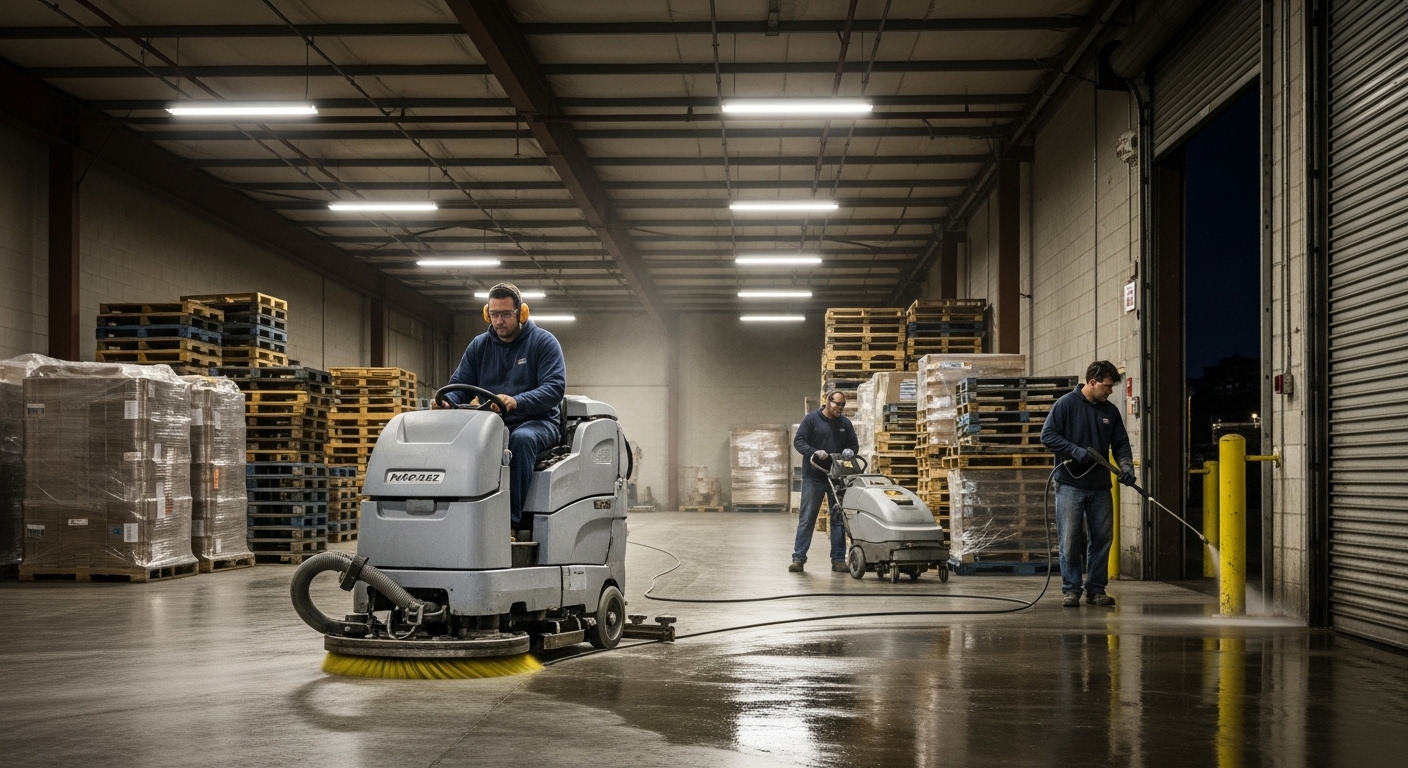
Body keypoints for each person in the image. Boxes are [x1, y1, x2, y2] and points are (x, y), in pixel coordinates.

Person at [436, 283, 566, 535]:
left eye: (505, 314)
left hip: (538, 422)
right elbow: (459, 385)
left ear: (522, 313)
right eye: (494, 314)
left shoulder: (543, 343)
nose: (499, 321)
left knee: (520, 440)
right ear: (487, 314)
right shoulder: (479, 346)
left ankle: (511, 524)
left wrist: (517, 401)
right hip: (492, 423)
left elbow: (554, 388)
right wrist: (447, 400)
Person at [1040, 360, 1135, 607]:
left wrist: (1126, 468)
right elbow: (1047, 435)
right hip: (1070, 484)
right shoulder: (1066, 405)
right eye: (1106, 386)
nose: (1110, 390)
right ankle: (1071, 590)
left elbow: (1121, 444)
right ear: (1092, 382)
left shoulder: (1110, 412)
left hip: (1100, 486)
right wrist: (1075, 451)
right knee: (1070, 539)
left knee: (1102, 538)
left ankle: (1096, 589)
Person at [790, 390, 859, 573]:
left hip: (837, 477)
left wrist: (850, 452)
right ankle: (798, 558)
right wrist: (813, 451)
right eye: (837, 404)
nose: (840, 408)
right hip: (814, 476)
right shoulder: (812, 420)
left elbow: (853, 445)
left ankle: (838, 560)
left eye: (843, 405)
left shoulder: (845, 423)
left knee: (838, 519)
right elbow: (799, 441)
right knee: (807, 518)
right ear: (827, 402)